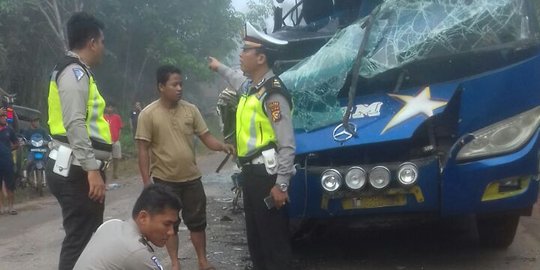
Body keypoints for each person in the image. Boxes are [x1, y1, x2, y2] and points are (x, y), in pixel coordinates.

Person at [209, 22, 296, 270]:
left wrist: (281, 184)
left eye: (246, 49)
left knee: (274, 244)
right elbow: (234, 77)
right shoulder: (251, 89)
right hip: (251, 175)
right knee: (257, 242)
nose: (240, 53)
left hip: (266, 176)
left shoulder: (273, 94)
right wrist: (218, 67)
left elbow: (287, 143)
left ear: (260, 58)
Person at [136, 65, 235, 270]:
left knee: (198, 222)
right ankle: (175, 263)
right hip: (165, 181)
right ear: (161, 87)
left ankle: (202, 261)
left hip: (191, 178)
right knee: (170, 224)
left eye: (181, 84)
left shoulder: (191, 110)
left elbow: (206, 137)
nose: (179, 88)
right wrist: (147, 183)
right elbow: (143, 150)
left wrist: (222, 146)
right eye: (174, 84)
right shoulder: (148, 114)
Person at [45, 12, 112, 270]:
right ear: (92, 42)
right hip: (76, 167)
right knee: (81, 241)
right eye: (102, 42)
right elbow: (75, 123)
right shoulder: (75, 73)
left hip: (71, 163)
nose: (103, 48)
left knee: (84, 236)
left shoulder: (72, 70)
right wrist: (91, 169)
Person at [74, 184, 181, 270]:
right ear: (143, 217)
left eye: (173, 225)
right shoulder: (137, 251)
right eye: (167, 224)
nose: (171, 232)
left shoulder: (111, 224)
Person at [0, 107, 19, 215]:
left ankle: (11, 206)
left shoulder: (9, 130)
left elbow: (17, 144)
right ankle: (1, 207)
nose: (4, 118)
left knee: (10, 185)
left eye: (5, 116)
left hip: (7, 161)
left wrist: (8, 149)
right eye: (2, 117)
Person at [104, 103, 123, 179]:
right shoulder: (103, 117)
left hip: (115, 140)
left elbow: (120, 128)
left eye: (111, 107)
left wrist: (118, 137)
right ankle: (104, 173)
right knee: (106, 159)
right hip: (106, 141)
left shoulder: (117, 117)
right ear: (106, 108)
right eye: (108, 107)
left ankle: (115, 173)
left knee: (116, 157)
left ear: (113, 108)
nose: (109, 109)